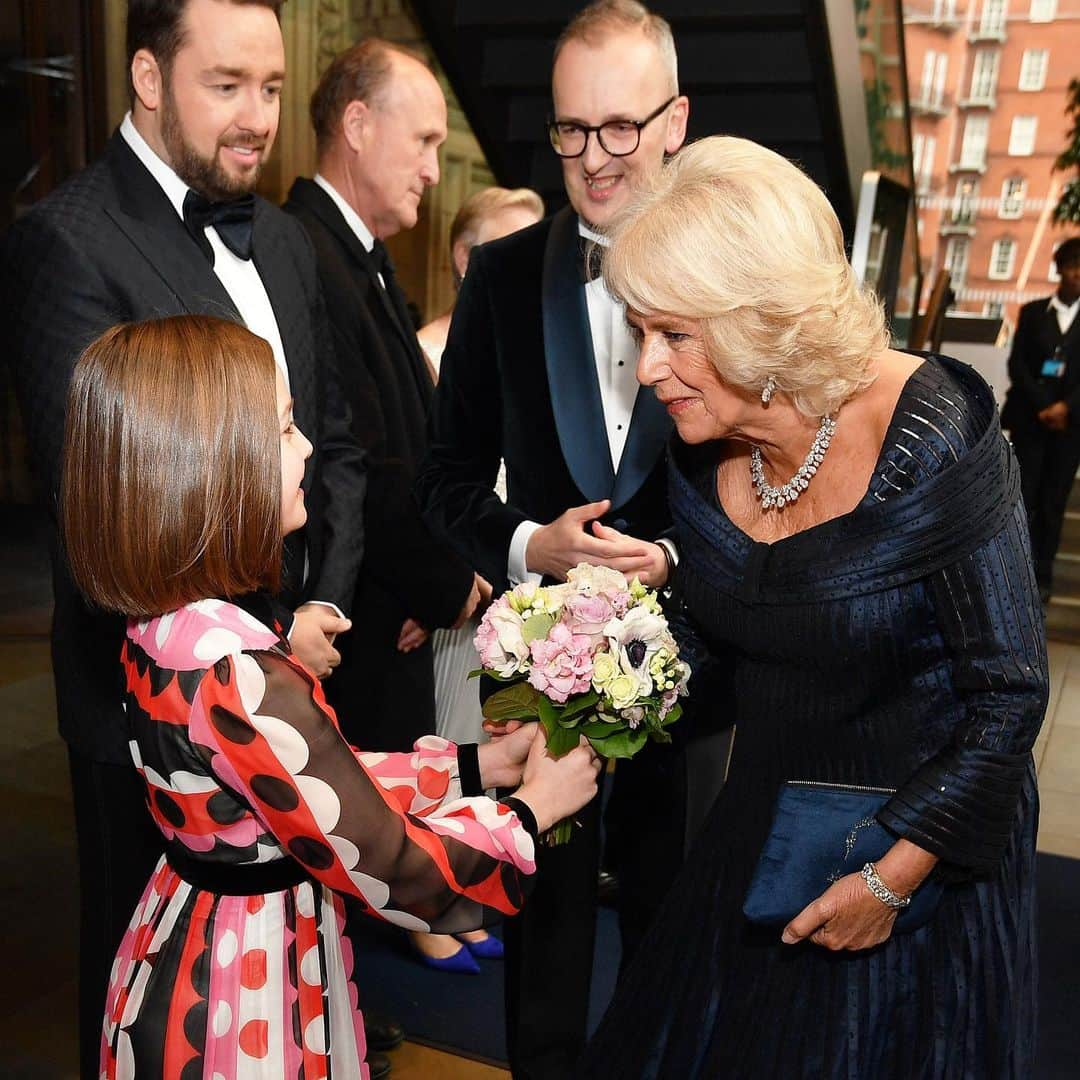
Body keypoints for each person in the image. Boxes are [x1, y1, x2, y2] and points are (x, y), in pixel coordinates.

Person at [576, 135, 1044, 1079]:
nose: (648, 370)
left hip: (925, 845)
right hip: (769, 826)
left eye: (673, 334)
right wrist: (602, 689)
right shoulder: (702, 460)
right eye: (637, 335)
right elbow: (719, 644)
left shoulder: (930, 432)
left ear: (760, 321)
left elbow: (1007, 695)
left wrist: (891, 879)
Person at [59, 314, 601, 1078]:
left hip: (184, 936)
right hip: (246, 987)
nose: (308, 446)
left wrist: (483, 768)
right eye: (284, 429)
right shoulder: (238, 671)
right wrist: (533, 807)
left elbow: (310, 791)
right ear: (212, 466)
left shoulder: (167, 627)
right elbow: (393, 866)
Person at [0, 2, 366, 1072]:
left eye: (269, 87)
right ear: (150, 80)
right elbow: (104, 513)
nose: (257, 117)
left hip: (295, 659)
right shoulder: (65, 241)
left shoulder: (288, 242)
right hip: (148, 705)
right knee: (152, 983)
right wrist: (254, 651)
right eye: (226, 85)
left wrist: (321, 607)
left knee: (280, 963)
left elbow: (335, 445)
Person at [415, 2, 692, 1074]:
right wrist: (535, 545)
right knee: (546, 927)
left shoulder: (732, 271)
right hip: (540, 678)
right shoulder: (500, 279)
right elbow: (444, 484)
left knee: (675, 911)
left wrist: (673, 559)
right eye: (572, 131)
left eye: (621, 127)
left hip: (698, 662)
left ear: (675, 120)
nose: (594, 158)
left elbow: (765, 479)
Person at [283, 40, 496, 978]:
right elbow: (357, 460)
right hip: (351, 605)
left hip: (391, 594)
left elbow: (411, 446)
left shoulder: (358, 256)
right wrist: (447, 586)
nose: (429, 167)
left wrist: (431, 578)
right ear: (357, 127)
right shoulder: (309, 253)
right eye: (422, 142)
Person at [419, 187, 545, 756]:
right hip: (458, 607)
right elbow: (427, 484)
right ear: (467, 259)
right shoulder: (424, 351)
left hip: (525, 604)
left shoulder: (540, 357)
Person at [1001, 235, 1080, 603]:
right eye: (1072, 265)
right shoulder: (1033, 313)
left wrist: (1066, 407)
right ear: (1060, 269)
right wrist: (1043, 405)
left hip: (1071, 426)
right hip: (1031, 420)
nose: (1077, 273)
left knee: (1054, 501)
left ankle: (1042, 577)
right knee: (1023, 496)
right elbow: (1017, 365)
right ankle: (1015, 574)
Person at [417, 186, 545, 374]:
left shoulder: (541, 351)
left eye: (537, 253)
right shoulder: (422, 356)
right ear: (465, 258)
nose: (532, 268)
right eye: (514, 252)